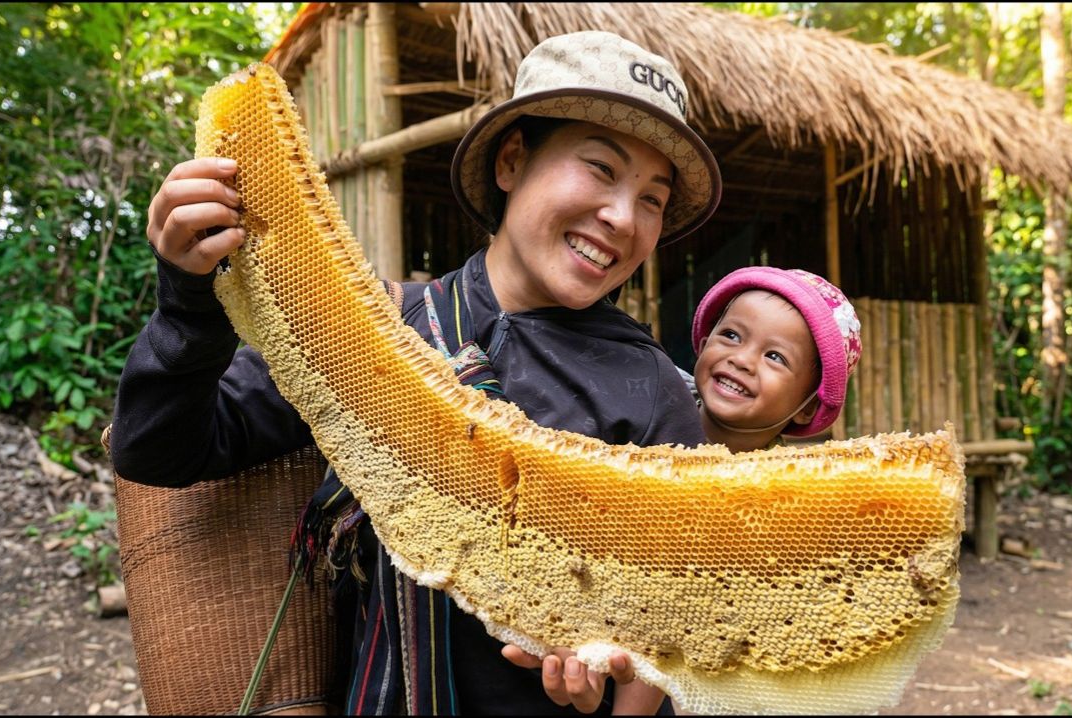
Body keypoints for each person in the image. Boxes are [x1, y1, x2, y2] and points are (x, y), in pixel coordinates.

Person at [110, 31, 722, 715]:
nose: (620, 216)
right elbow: (159, 449)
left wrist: (610, 671)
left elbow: (672, 637)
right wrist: (187, 299)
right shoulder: (372, 329)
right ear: (513, 160)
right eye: (601, 170)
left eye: (652, 200)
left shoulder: (654, 397)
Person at [684, 267, 862, 453]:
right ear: (704, 348)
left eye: (774, 357)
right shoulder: (655, 397)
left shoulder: (790, 480)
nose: (742, 360)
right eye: (731, 335)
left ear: (808, 408)